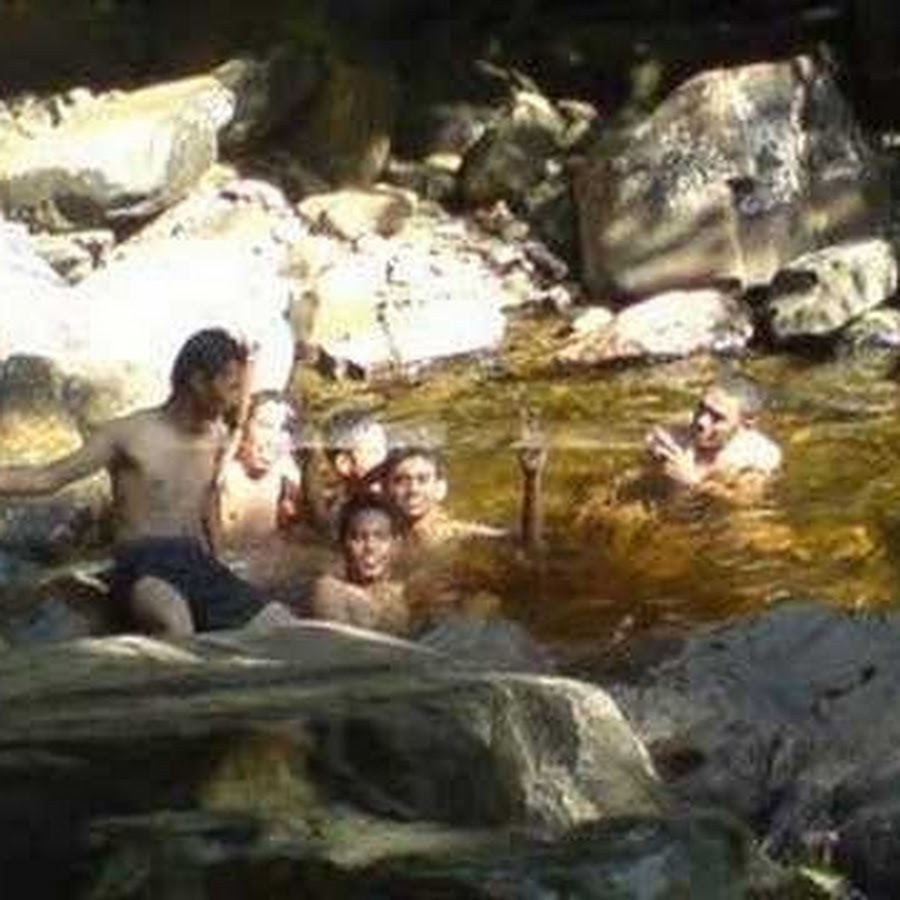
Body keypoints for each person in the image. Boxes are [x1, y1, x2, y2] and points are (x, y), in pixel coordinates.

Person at [0, 328, 298, 638]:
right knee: (175, 624)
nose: (237, 398)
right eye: (232, 387)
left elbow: (208, 498)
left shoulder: (218, 437)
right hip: (144, 565)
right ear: (198, 382)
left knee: (285, 627)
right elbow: (47, 478)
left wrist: (219, 555)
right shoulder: (127, 435)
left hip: (196, 562)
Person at [645, 378, 782, 502]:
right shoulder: (676, 433)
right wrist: (654, 458)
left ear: (746, 423)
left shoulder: (757, 455)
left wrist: (694, 482)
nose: (701, 421)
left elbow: (746, 501)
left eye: (717, 417)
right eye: (702, 408)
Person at [310, 493, 410, 636]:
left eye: (381, 537)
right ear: (342, 544)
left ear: (396, 545)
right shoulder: (330, 589)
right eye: (358, 538)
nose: (370, 547)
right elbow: (338, 644)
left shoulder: (405, 591)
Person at [302, 409, 389, 538]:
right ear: (344, 464)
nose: (385, 457)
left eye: (385, 448)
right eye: (374, 451)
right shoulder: (342, 520)